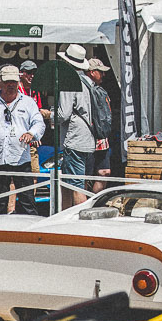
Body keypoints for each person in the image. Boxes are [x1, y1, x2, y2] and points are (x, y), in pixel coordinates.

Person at [0, 65, 45, 215]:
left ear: (18, 82)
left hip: (21, 158)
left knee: (27, 200)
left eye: (14, 82)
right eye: (7, 82)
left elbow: (39, 123)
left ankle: (29, 227)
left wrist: (31, 133)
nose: (10, 85)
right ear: (0, 82)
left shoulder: (28, 102)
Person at [56, 44, 95, 205]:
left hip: (74, 139)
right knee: (70, 183)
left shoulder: (69, 81)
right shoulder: (88, 81)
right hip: (88, 138)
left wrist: (49, 115)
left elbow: (63, 114)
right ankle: (65, 215)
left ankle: (79, 217)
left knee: (76, 185)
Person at [86, 58, 112, 193]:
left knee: (104, 172)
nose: (103, 75)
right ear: (92, 72)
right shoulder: (84, 89)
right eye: (100, 72)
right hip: (88, 137)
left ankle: (94, 200)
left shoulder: (100, 90)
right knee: (85, 175)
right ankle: (83, 202)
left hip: (102, 137)